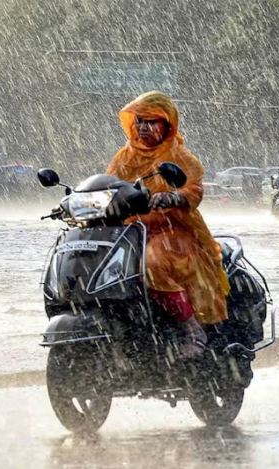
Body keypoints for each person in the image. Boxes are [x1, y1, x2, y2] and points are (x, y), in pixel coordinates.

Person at [105, 91, 230, 359]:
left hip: (173, 230)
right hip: (130, 231)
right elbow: (107, 185)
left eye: (152, 122)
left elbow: (194, 191)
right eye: (139, 121)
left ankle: (193, 329)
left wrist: (174, 196)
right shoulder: (124, 157)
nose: (143, 127)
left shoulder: (180, 156)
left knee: (151, 265)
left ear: (168, 125)